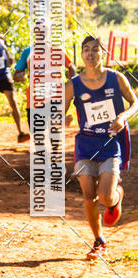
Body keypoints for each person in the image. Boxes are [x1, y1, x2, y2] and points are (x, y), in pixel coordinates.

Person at [64, 34, 137, 260]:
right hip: (85, 144)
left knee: (104, 197)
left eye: (95, 49)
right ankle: (99, 240)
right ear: (81, 54)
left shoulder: (117, 79)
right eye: (86, 49)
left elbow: (135, 103)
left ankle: (116, 196)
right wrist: (61, 118)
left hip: (110, 143)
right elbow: (60, 110)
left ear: (103, 53)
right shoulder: (73, 84)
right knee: (88, 196)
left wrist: (123, 116)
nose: (90, 53)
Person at [13, 45, 77, 128]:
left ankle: (58, 122)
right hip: (34, 101)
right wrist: (19, 76)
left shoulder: (57, 50)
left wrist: (69, 86)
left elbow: (72, 67)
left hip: (55, 98)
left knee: (53, 135)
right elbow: (16, 75)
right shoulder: (28, 52)